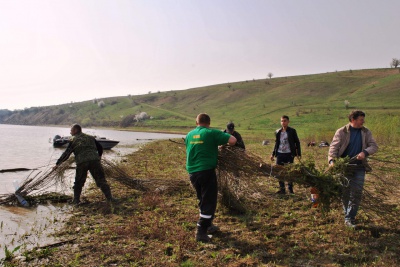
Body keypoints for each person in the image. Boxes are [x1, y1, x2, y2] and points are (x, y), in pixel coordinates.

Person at [185, 114, 237, 242]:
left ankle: (208, 225)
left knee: (202, 198)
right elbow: (233, 141)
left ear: (196, 122)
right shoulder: (211, 132)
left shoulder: (189, 135)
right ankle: (201, 232)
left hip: (192, 172)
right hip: (206, 171)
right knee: (209, 200)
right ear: (209, 122)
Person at [328, 110, 378, 228]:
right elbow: (333, 148)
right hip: (344, 167)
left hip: (359, 167)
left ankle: (350, 218)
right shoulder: (341, 132)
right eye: (361, 119)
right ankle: (348, 217)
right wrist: (331, 161)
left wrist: (365, 152)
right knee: (345, 193)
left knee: (356, 193)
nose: (363, 122)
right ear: (353, 120)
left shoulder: (366, 132)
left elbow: (374, 146)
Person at [54, 124, 115, 205]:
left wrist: (57, 164)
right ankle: (110, 198)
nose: (70, 132)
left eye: (71, 130)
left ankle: (76, 201)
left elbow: (66, 154)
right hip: (94, 161)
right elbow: (100, 148)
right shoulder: (90, 137)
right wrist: (98, 157)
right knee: (101, 180)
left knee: (79, 182)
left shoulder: (73, 139)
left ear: (75, 130)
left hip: (82, 162)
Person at [270, 115, 301, 194]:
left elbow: (297, 142)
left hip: (289, 154)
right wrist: (273, 154)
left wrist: (298, 153)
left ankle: (290, 190)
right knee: (279, 172)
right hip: (280, 154)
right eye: (282, 121)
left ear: (288, 122)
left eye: (285, 121)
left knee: (289, 172)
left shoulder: (292, 131)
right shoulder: (278, 132)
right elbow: (276, 143)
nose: (283, 122)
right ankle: (282, 189)